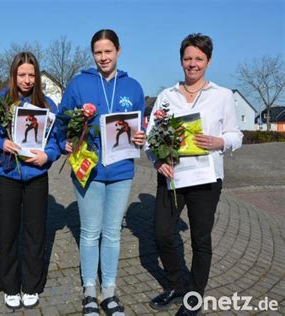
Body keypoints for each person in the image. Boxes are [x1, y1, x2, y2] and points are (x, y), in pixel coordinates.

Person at [146, 33, 243, 316]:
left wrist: (220, 142)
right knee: (162, 234)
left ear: (208, 61)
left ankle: (194, 298)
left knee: (201, 240)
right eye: (188, 58)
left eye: (198, 58)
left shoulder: (222, 96)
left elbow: (236, 134)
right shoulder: (166, 96)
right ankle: (177, 285)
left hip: (206, 179)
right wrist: (155, 162)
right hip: (172, 175)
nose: (192, 64)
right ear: (181, 61)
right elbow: (152, 136)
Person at [58, 30, 146, 316]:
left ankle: (108, 291)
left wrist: (141, 138)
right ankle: (89, 292)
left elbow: (140, 127)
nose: (103, 57)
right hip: (89, 171)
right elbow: (61, 123)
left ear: (119, 51)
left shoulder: (133, 87)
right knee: (89, 232)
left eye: (108, 51)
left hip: (121, 171)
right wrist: (65, 143)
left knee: (111, 234)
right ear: (92, 54)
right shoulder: (78, 84)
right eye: (98, 52)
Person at [0, 52, 60, 310]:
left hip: (36, 175)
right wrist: (0, 143)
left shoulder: (47, 105)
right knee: (9, 230)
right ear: (13, 75)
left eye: (31, 74)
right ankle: (10, 284)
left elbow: (57, 141)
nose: (27, 80)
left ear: (37, 76)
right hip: (8, 175)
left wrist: (47, 155)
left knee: (36, 232)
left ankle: (32, 284)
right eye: (22, 74)